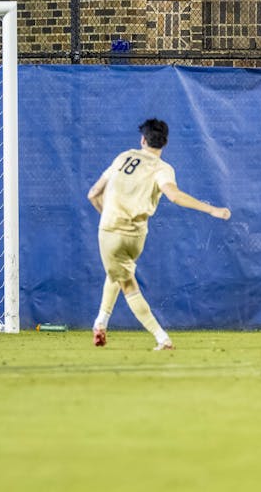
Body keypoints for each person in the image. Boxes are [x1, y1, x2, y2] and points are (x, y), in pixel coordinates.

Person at [86, 118, 231, 350]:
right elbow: (174, 195)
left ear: (142, 139)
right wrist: (211, 209)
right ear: (164, 143)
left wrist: (108, 214)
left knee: (126, 282)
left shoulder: (124, 157)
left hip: (111, 231)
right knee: (118, 272)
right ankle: (100, 323)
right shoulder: (163, 169)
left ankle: (161, 337)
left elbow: (93, 193)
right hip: (137, 236)